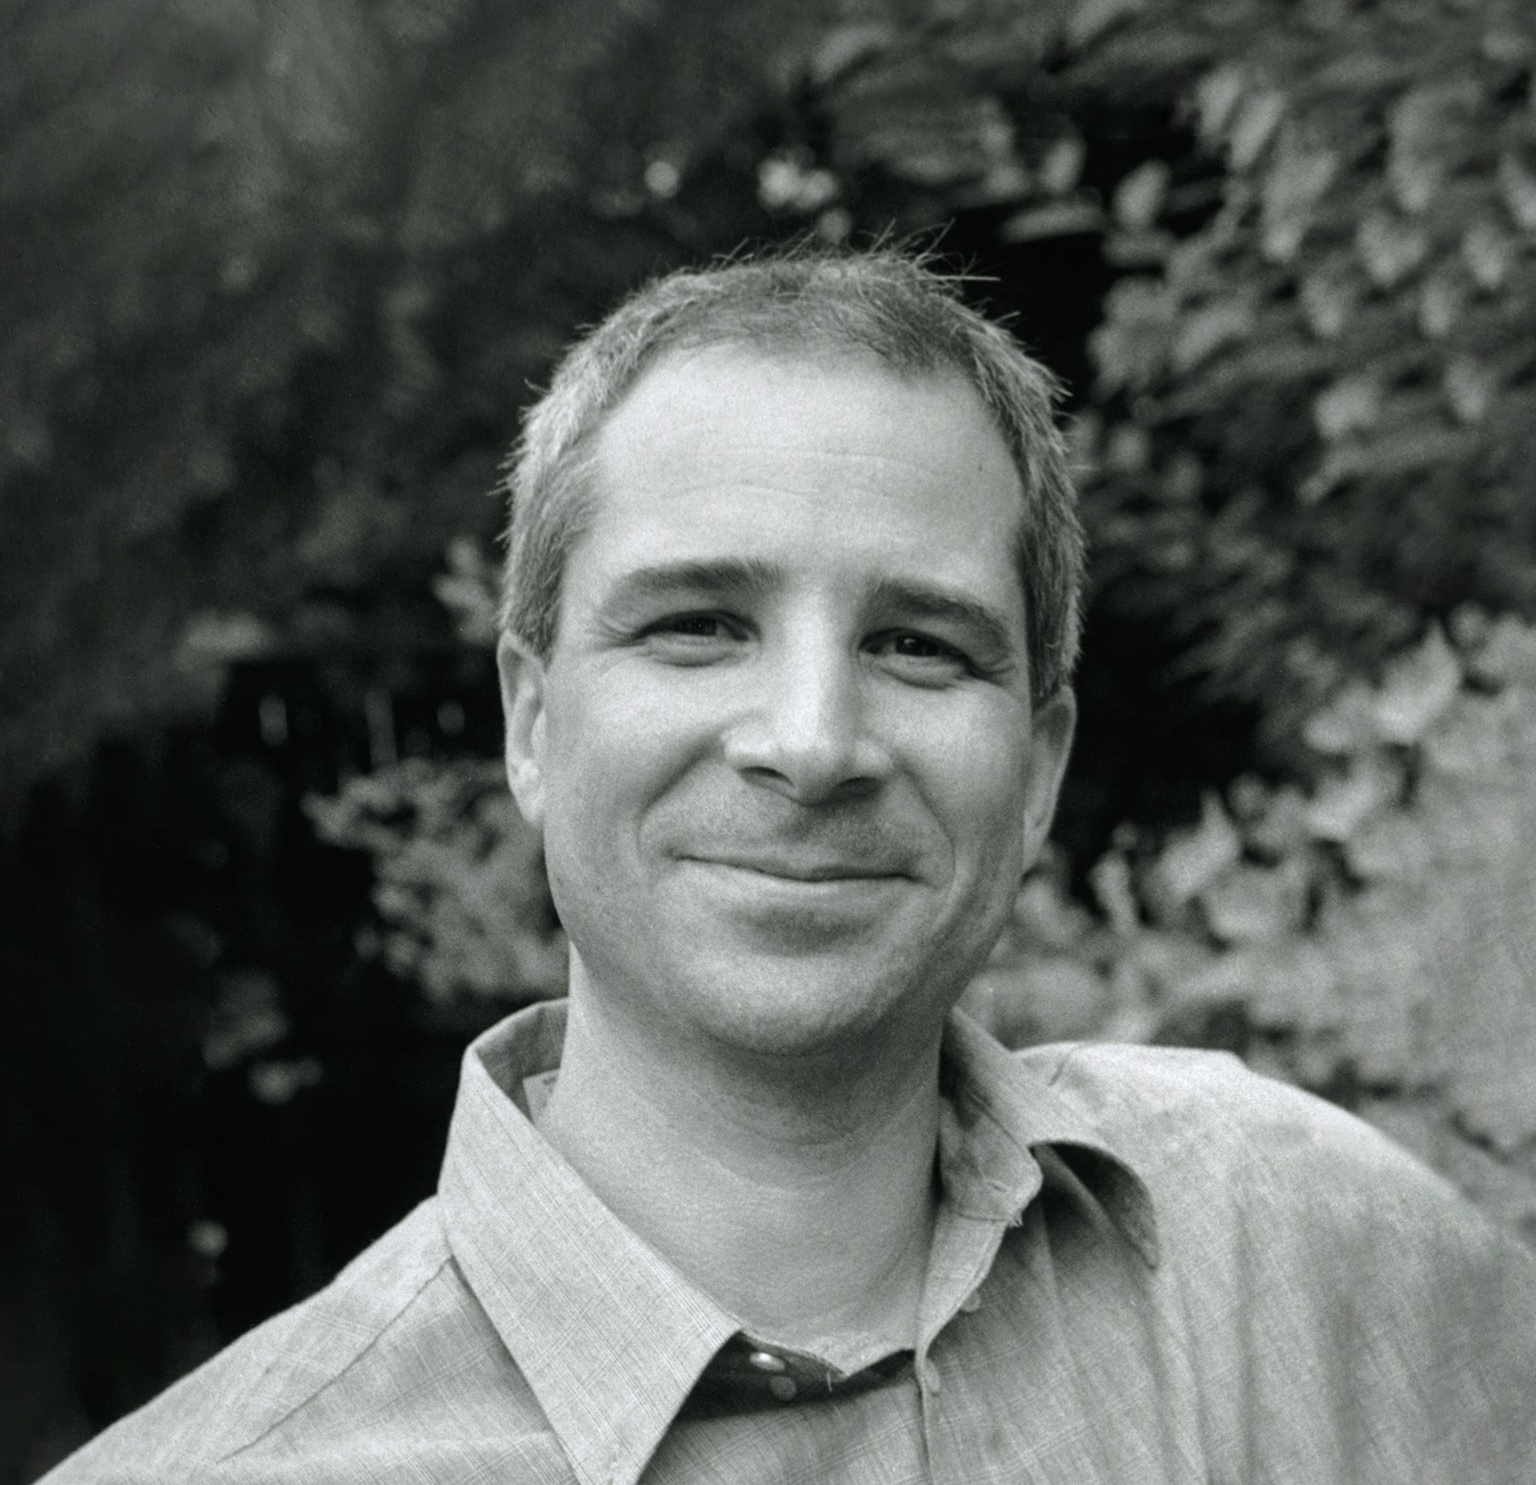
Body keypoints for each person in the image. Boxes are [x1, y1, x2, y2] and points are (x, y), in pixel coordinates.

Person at [40, 248, 1536, 1484]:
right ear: (532, 722)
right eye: (697, 626)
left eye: (919, 644)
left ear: (1038, 771)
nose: (813, 743)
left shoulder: (1312, 1257)